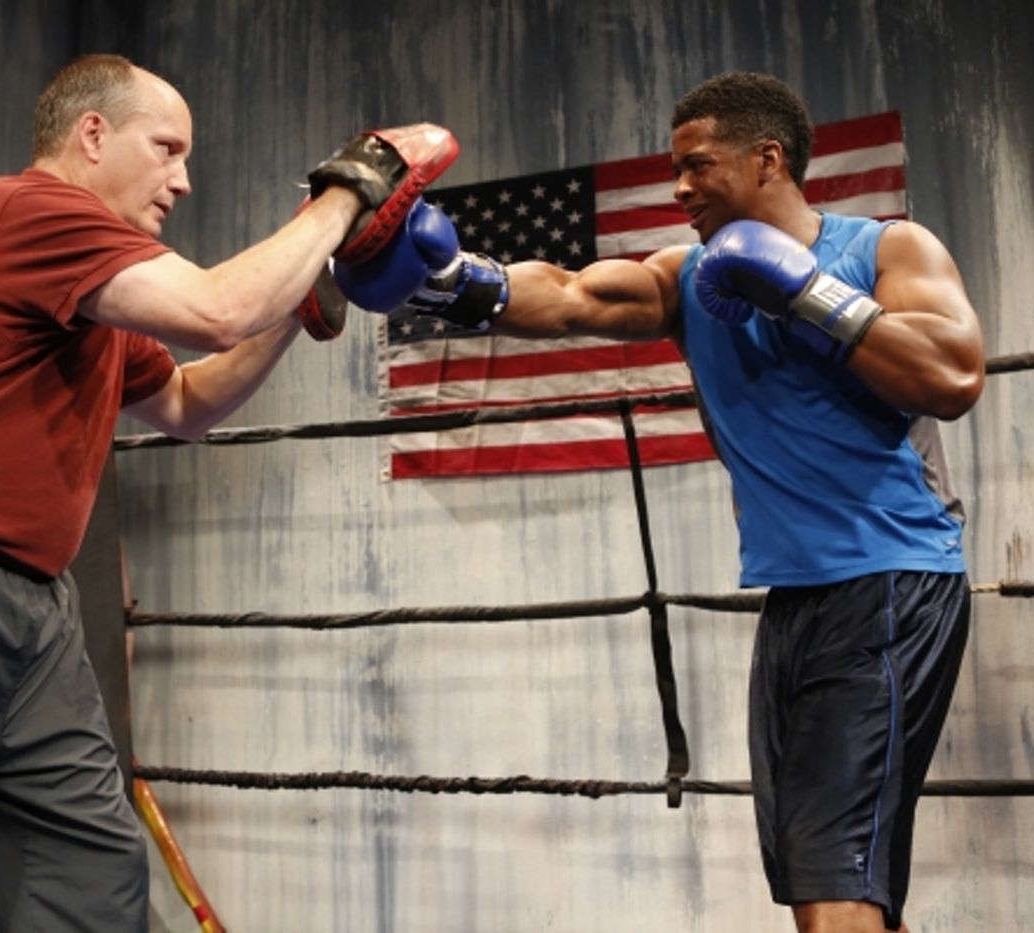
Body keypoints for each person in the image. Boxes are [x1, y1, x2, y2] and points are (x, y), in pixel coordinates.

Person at [0, 52, 454, 932]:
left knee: (85, 896)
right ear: (93, 135)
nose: (183, 181)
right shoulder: (22, 210)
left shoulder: (99, 298)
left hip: (31, 619)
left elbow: (186, 401)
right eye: (168, 148)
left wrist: (311, 293)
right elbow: (219, 306)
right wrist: (350, 193)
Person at [336, 71, 984, 933]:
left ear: (768, 160)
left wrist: (808, 294)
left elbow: (954, 374)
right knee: (827, 877)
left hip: (892, 583)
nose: (678, 186)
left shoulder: (886, 252)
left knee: (836, 888)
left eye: (697, 166)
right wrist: (459, 279)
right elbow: (572, 297)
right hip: (796, 598)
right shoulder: (689, 280)